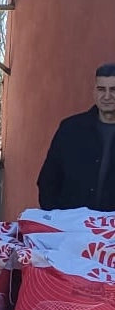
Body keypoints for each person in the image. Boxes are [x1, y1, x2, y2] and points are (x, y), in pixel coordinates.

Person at [37, 63, 115, 212]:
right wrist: (56, 217)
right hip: (71, 223)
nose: (107, 96)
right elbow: (48, 179)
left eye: (113, 90)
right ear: (94, 91)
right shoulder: (70, 129)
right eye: (101, 89)